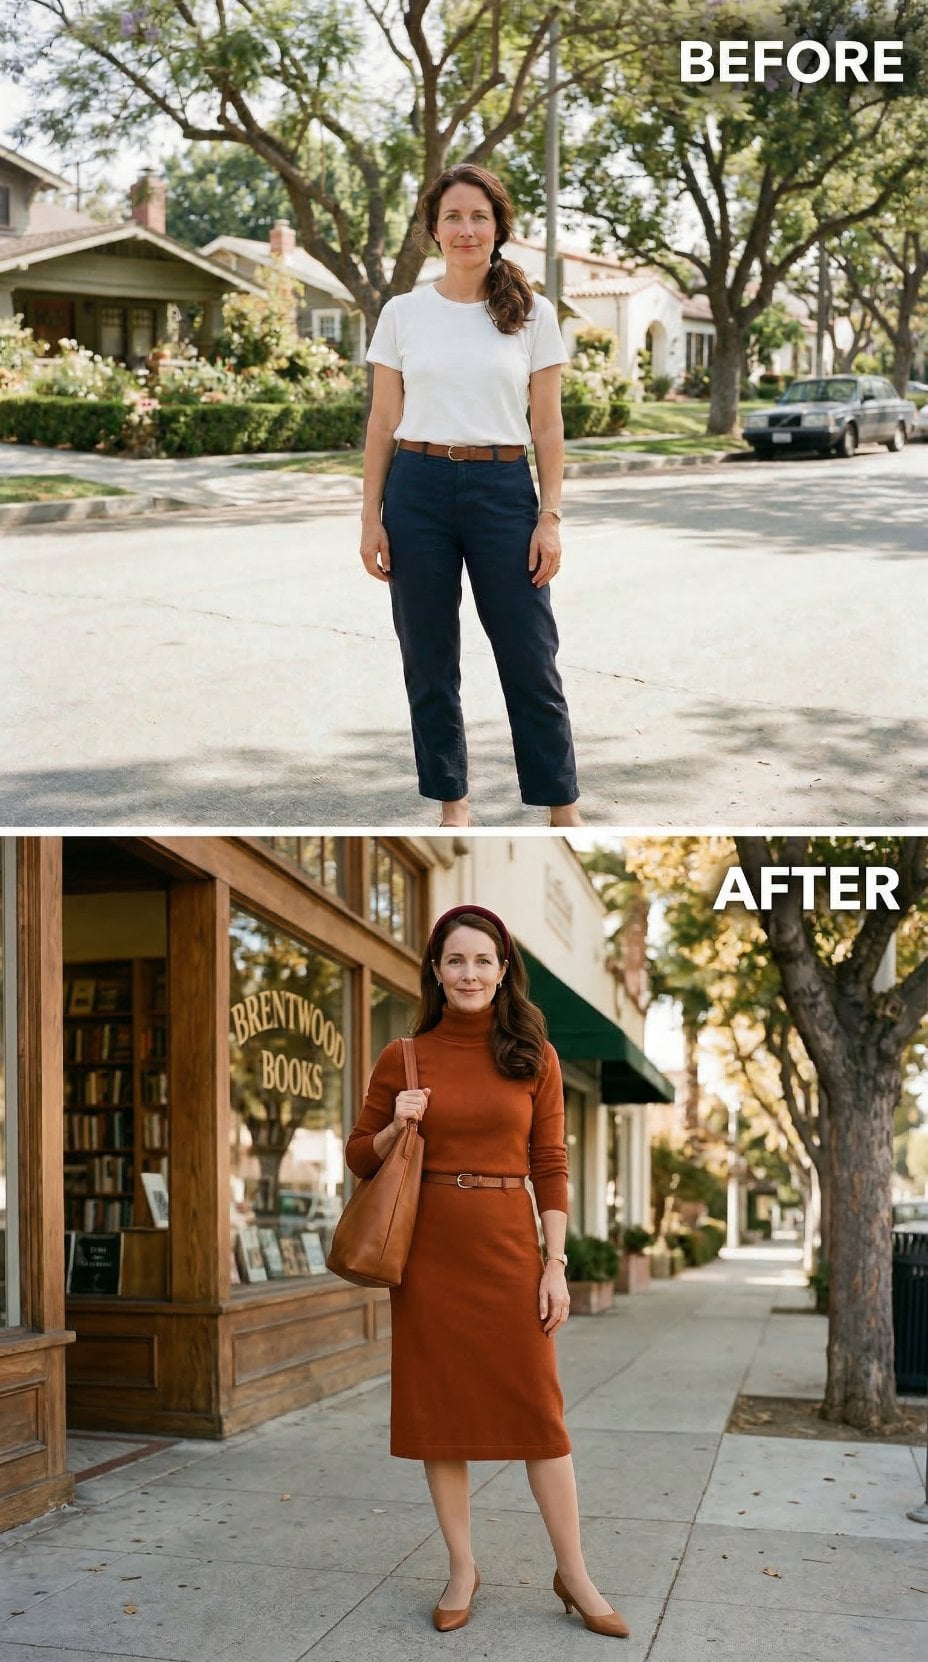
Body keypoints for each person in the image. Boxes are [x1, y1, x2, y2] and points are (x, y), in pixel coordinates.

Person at [345, 904, 628, 1639]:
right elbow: (356, 1155)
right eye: (455, 961)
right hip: (430, 1256)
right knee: (442, 1423)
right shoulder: (401, 1055)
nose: (469, 973)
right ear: (436, 973)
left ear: (503, 972)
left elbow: (551, 1167)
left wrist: (555, 1263)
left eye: (482, 960)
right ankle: (463, 1566)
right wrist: (393, 1124)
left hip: (509, 1249)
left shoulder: (535, 1057)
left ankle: (575, 1571)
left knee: (541, 1419)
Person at [359, 163, 581, 829]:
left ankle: (560, 805)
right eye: (452, 216)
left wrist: (550, 518)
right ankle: (453, 800)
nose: (465, 229)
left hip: (503, 488)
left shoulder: (532, 313)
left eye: (478, 216)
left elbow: (547, 424)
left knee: (529, 655)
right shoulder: (402, 313)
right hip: (417, 489)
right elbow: (382, 422)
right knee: (428, 657)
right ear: (433, 230)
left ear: (498, 228)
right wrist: (371, 516)